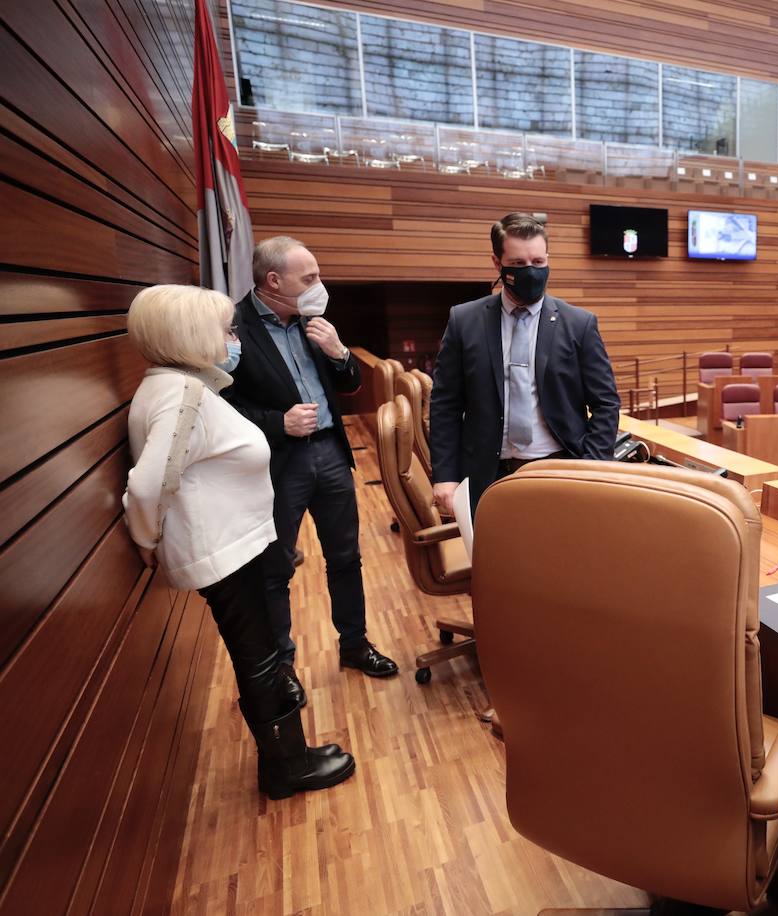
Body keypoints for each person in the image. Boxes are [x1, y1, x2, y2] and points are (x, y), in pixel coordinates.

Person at [123, 284, 354, 799]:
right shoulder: (181, 396)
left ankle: (289, 757)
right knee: (261, 662)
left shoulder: (182, 386)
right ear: (188, 335)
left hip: (232, 545)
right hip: (222, 552)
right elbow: (146, 484)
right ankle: (285, 768)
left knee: (263, 656)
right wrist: (145, 536)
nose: (234, 338)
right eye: (224, 330)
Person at [226, 236, 397, 709]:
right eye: (311, 278)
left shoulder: (312, 321)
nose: (319, 286)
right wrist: (276, 424)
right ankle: (282, 667)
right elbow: (220, 404)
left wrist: (340, 353)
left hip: (330, 454)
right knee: (275, 569)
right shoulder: (232, 327)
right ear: (274, 281)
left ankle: (355, 645)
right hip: (280, 463)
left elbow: (349, 384)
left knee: (346, 557)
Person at [430, 213, 620, 518]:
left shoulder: (579, 324)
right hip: (487, 474)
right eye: (519, 264)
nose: (530, 271)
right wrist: (445, 475)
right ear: (497, 263)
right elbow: (445, 405)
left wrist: (593, 465)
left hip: (561, 469)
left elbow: (606, 402)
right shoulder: (464, 321)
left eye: (538, 262)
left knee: (562, 562)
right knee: (496, 564)